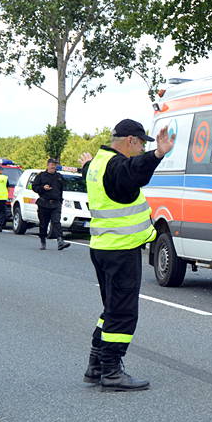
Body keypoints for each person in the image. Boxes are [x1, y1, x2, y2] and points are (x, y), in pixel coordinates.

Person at [78, 119, 174, 391]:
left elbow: (101, 173)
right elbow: (133, 171)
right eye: (142, 143)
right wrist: (157, 155)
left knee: (111, 308)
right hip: (120, 250)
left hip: (103, 248)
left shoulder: (97, 164)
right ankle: (111, 372)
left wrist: (85, 164)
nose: (142, 147)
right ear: (130, 140)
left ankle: (96, 364)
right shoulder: (118, 165)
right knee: (123, 312)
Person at [32, 158, 70, 250]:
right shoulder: (41, 176)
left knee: (56, 222)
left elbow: (61, 190)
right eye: (52, 164)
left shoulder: (59, 176)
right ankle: (43, 240)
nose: (54, 166)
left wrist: (60, 201)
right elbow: (34, 187)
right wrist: (42, 188)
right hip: (44, 203)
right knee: (43, 224)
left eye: (55, 165)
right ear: (48, 165)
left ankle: (60, 241)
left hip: (56, 204)